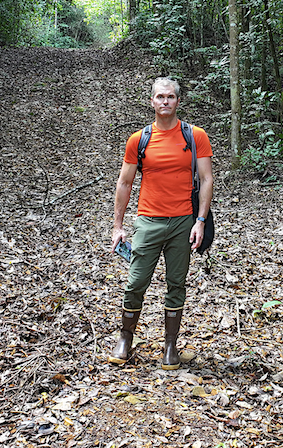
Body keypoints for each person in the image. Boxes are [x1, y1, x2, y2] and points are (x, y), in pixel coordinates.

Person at [109, 77, 213, 370]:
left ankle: (170, 346)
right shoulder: (139, 140)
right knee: (136, 282)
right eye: (160, 97)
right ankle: (125, 338)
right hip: (148, 222)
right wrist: (118, 226)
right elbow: (125, 183)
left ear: (178, 101)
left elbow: (206, 179)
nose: (165, 101)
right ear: (151, 101)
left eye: (170, 97)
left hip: (183, 222)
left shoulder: (195, 136)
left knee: (176, 283)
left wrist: (200, 221)